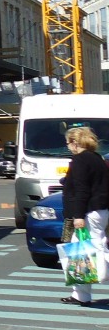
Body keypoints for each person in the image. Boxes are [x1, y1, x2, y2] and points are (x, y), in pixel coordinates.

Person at [59, 125, 109, 306]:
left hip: (88, 213)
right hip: (99, 210)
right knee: (80, 254)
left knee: (95, 250)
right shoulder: (97, 158)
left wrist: (78, 215)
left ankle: (81, 294)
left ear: (74, 142)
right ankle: (81, 295)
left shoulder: (80, 160)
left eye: (68, 143)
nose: (68, 147)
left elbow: (82, 189)